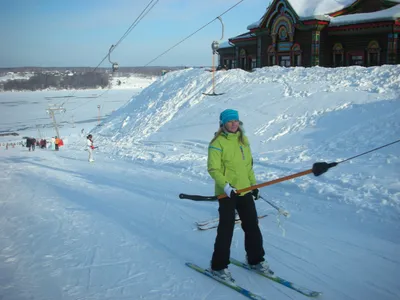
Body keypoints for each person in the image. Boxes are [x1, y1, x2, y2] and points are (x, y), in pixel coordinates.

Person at [207, 109, 271, 282]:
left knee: (252, 226)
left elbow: (248, 166)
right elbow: (213, 169)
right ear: (223, 124)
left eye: (236, 120)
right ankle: (218, 267)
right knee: (226, 230)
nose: (234, 124)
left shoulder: (244, 141)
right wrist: (226, 187)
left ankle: (255, 260)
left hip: (244, 190)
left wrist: (254, 185)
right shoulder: (217, 143)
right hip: (227, 193)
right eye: (230, 121)